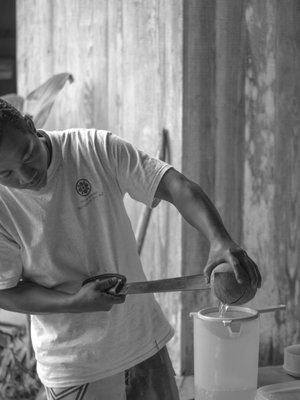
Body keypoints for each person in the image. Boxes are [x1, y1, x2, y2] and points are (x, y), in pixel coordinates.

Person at [0, 98, 261, 400]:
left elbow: (176, 186)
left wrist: (219, 239)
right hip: (75, 366)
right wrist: (72, 302)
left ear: (31, 126)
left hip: (141, 341)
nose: (25, 175)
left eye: (28, 155)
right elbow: (5, 292)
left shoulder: (93, 149)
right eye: (6, 174)